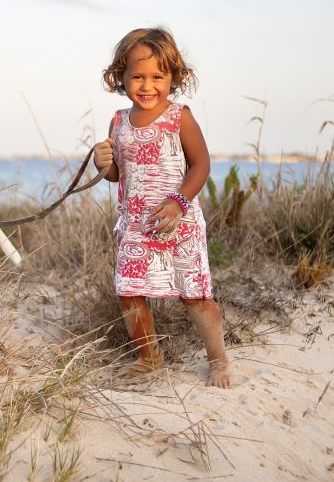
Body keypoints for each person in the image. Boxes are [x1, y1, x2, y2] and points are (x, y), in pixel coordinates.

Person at [92, 27, 231, 388]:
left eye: (158, 76)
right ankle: (149, 355)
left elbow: (200, 164)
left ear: (173, 77)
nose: (147, 85)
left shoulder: (179, 116)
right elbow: (118, 174)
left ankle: (218, 361)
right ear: (120, 77)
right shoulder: (118, 122)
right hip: (136, 223)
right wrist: (102, 163)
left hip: (178, 221)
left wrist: (179, 201)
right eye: (137, 76)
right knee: (129, 290)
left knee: (195, 294)